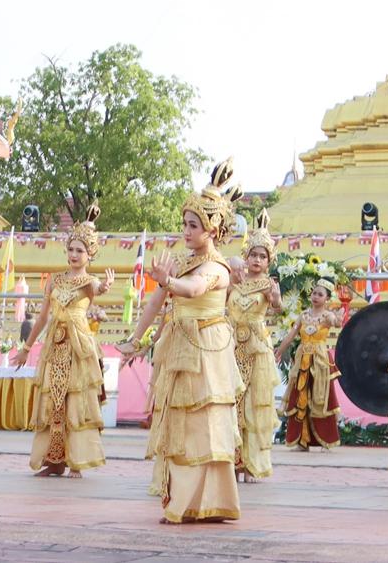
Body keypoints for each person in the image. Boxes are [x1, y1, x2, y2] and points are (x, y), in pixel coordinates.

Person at [139, 162, 246, 524]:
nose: (185, 231)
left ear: (212, 229)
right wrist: (134, 339)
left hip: (207, 348)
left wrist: (168, 283)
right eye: (184, 223)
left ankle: (205, 501)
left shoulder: (217, 267)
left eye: (193, 225)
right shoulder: (183, 262)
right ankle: (184, 501)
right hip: (179, 344)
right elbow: (157, 301)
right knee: (180, 422)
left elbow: (194, 289)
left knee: (204, 423)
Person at [13, 210, 109, 477]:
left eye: (80, 250)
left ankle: (76, 461)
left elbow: (99, 288)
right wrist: (26, 348)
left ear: (90, 254)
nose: (74, 254)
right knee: (52, 401)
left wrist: (105, 287)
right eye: (71, 248)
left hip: (78, 346)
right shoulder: (54, 279)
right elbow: (43, 316)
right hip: (55, 346)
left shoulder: (90, 281)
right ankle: (53, 461)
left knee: (74, 402)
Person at [227, 221, 282, 484]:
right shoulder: (234, 283)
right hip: (232, 347)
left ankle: (252, 465)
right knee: (232, 403)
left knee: (253, 406)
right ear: (246, 256)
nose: (257, 260)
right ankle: (233, 462)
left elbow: (278, 309)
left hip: (257, 349)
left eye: (262, 256)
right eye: (253, 254)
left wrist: (275, 299)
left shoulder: (269, 285)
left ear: (269, 260)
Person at [276, 276, 344, 449]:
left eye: (320, 294)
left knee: (322, 398)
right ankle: (302, 439)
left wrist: (339, 317)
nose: (315, 297)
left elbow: (337, 322)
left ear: (327, 299)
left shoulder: (327, 315)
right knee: (300, 396)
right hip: (302, 360)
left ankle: (326, 440)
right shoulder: (304, 315)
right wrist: (280, 350)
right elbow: (291, 335)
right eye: (314, 293)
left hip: (320, 361)